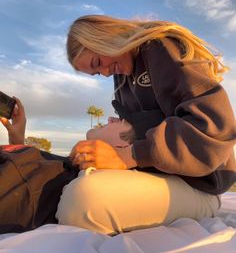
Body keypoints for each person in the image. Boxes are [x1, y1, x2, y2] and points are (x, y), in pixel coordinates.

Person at [61, 14, 236, 235]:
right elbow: (141, 133)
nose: (105, 73)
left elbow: (212, 127)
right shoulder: (122, 78)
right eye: (97, 73)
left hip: (202, 185)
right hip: (163, 174)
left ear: (102, 37)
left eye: (98, 63)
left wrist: (125, 157)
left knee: (83, 199)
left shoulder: (160, 47)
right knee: (78, 181)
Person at [0, 98, 134, 233]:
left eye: (121, 120)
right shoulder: (65, 168)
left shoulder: (61, 181)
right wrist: (17, 143)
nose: (111, 118)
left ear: (124, 147)